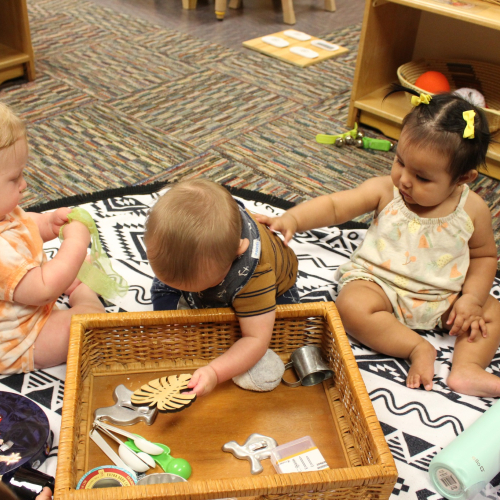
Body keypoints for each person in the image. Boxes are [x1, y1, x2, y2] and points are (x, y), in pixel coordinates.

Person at [255, 85, 500, 398]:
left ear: (464, 178)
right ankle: (415, 347)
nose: (405, 179)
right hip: (378, 285)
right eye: (399, 161)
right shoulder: (387, 191)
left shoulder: (472, 209)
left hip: (443, 298)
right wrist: (292, 219)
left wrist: (472, 300)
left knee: (491, 310)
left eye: (423, 178)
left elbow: (483, 258)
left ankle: (467, 368)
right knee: (351, 305)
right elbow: (334, 206)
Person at [144, 178, 299, 396]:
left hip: (277, 287)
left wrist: (215, 372)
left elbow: (255, 339)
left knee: (280, 330)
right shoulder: (201, 246)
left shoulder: (257, 274)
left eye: (196, 285)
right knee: (163, 288)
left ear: (237, 252)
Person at [0, 102, 105, 374]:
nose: (24, 184)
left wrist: (49, 223)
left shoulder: (4, 212)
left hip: (30, 310)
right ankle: (82, 294)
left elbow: (26, 224)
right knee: (92, 325)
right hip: (19, 342)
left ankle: (72, 282)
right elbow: (43, 288)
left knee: (65, 269)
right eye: (15, 178)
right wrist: (76, 244)